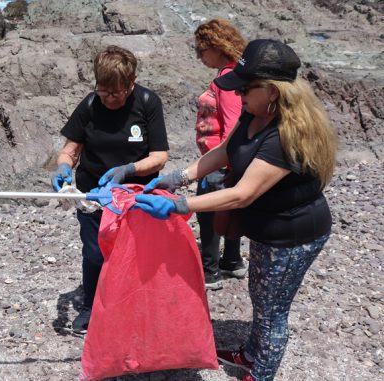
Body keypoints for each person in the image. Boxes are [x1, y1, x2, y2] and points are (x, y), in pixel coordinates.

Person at [133, 39, 338, 381]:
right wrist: (177, 178)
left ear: (272, 91)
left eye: (245, 87)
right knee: (260, 293)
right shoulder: (254, 112)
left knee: (272, 310)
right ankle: (250, 354)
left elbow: (242, 194)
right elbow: (225, 152)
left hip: (293, 234)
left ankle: (261, 373)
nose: (238, 94)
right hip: (268, 228)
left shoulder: (285, 137)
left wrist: (179, 206)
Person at [51, 45, 169, 334]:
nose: (110, 99)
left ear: (131, 82)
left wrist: (128, 170)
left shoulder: (147, 102)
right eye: (104, 92)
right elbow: (70, 149)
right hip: (95, 195)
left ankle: (137, 304)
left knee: (136, 252)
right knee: (94, 251)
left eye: (116, 93)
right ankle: (92, 305)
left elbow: (159, 156)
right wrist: (63, 167)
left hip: (136, 194)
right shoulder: (91, 104)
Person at [192, 19, 247, 290]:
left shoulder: (228, 79)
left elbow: (232, 125)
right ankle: (232, 261)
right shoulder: (235, 73)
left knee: (209, 212)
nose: (199, 57)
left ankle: (209, 272)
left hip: (219, 160)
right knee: (231, 207)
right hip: (229, 161)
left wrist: (219, 165)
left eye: (201, 50)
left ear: (215, 46)